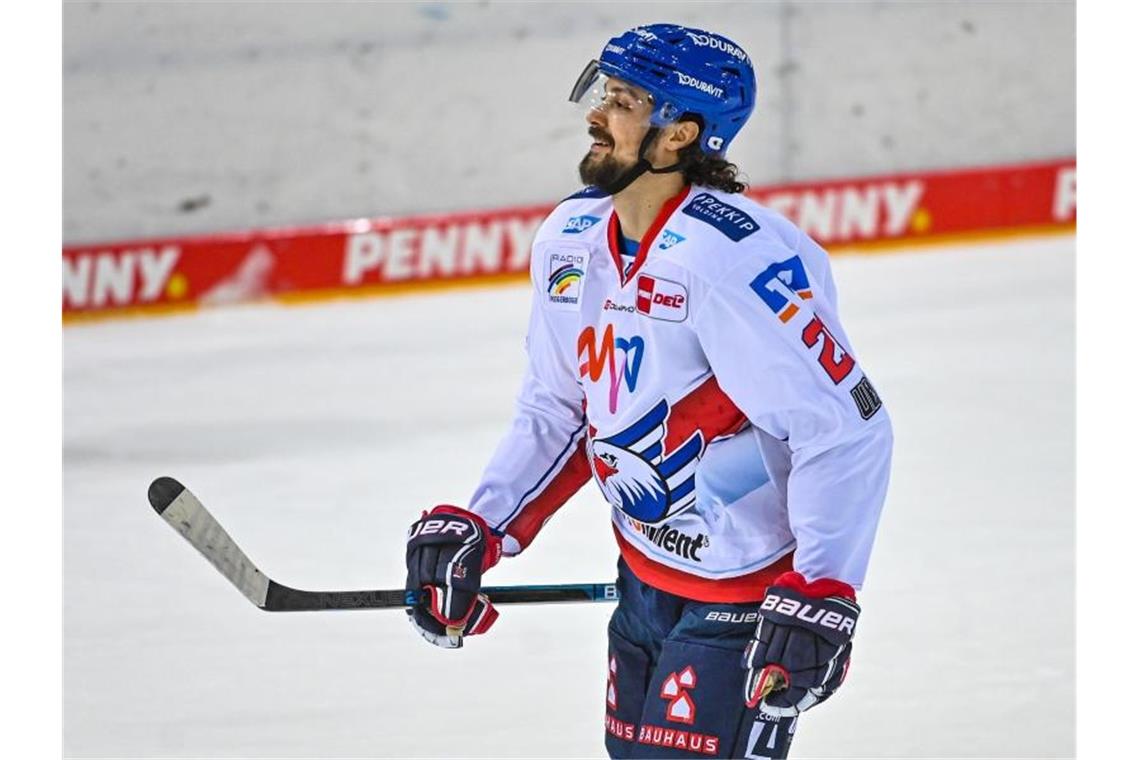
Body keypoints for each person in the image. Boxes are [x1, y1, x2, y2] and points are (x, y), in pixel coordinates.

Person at [404, 23, 892, 760]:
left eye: (624, 100)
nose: (597, 114)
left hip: (745, 593)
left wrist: (823, 591)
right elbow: (561, 409)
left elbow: (844, 427)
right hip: (642, 573)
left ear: (677, 136)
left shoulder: (731, 261)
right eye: (603, 93)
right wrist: (485, 522)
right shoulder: (569, 238)